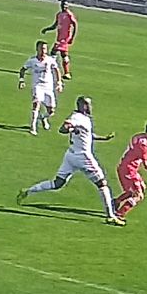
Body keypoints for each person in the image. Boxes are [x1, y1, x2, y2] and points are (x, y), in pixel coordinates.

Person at [16, 96, 124, 226]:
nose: (91, 107)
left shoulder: (83, 118)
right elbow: (63, 128)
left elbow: (86, 135)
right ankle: (110, 216)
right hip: (83, 157)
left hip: (71, 155)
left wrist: (103, 138)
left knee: (58, 183)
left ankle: (28, 191)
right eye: (89, 104)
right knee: (102, 183)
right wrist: (69, 128)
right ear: (83, 106)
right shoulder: (77, 118)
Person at [18, 40, 62, 136]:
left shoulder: (50, 60)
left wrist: (59, 83)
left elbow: (56, 70)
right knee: (36, 103)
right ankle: (33, 126)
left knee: (51, 110)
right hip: (37, 86)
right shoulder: (32, 60)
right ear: (37, 49)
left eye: (45, 49)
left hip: (48, 87)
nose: (43, 51)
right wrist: (21, 80)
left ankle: (43, 117)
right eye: (41, 48)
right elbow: (23, 69)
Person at [41, 0, 77, 80]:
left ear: (67, 6)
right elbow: (55, 25)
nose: (64, 6)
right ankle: (66, 73)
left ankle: (52, 70)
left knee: (54, 52)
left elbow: (75, 25)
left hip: (65, 39)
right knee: (63, 55)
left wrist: (72, 37)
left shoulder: (69, 15)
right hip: (59, 38)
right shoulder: (59, 15)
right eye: (63, 5)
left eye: (65, 5)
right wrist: (46, 29)